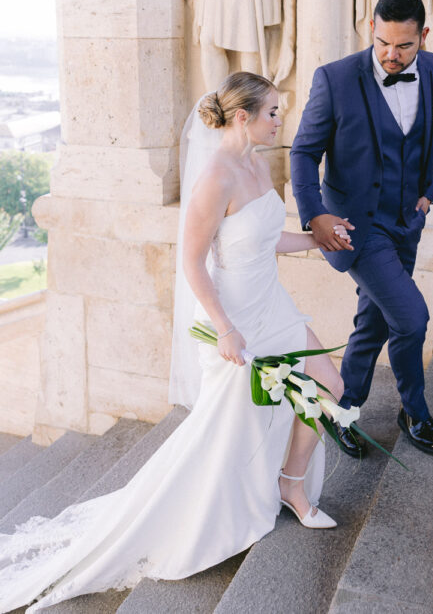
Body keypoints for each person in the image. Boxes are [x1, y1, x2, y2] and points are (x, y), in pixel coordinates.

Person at [0, 73, 344, 613]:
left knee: (328, 384)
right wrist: (225, 328)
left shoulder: (257, 163)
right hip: (237, 319)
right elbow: (191, 261)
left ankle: (290, 485)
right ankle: (211, 509)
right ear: (241, 117)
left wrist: (316, 240)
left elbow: (261, 236)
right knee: (227, 426)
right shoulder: (215, 175)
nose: (281, 120)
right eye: (273, 112)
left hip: (274, 307)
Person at [291, 0, 433, 458]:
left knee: (375, 319)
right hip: (356, 227)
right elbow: (303, 152)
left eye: (404, 46)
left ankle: (343, 406)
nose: (391, 54)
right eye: (383, 42)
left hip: (408, 220)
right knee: (411, 317)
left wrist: (430, 191)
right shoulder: (336, 79)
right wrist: (315, 214)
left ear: (422, 36)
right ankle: (414, 413)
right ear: (371, 27)